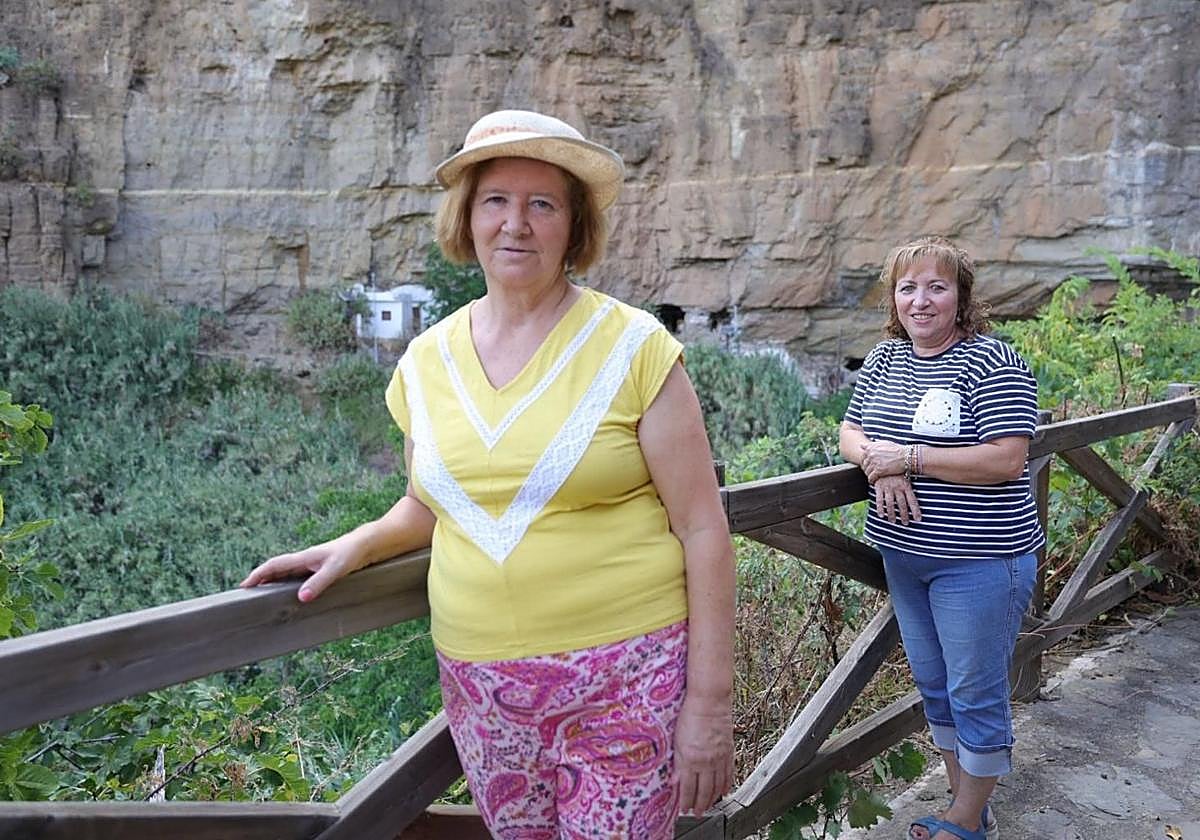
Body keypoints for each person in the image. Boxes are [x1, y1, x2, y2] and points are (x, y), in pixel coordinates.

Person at [242, 109, 736, 838]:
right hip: (483, 691)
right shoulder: (425, 362)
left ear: (574, 227)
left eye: (543, 204)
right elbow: (428, 504)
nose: (517, 224)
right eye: (496, 200)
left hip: (627, 679)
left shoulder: (634, 347)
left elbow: (703, 527)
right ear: (466, 218)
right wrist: (358, 544)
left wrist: (710, 704)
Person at [838, 236, 1042, 840]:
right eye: (907, 287)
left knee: (973, 691)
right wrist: (882, 459)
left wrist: (911, 457)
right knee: (935, 687)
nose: (920, 301)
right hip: (904, 558)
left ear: (961, 296)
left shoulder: (993, 360)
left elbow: (1006, 459)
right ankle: (971, 809)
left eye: (936, 286)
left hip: (980, 560)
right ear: (893, 299)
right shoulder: (884, 360)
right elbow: (849, 432)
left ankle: (962, 820)